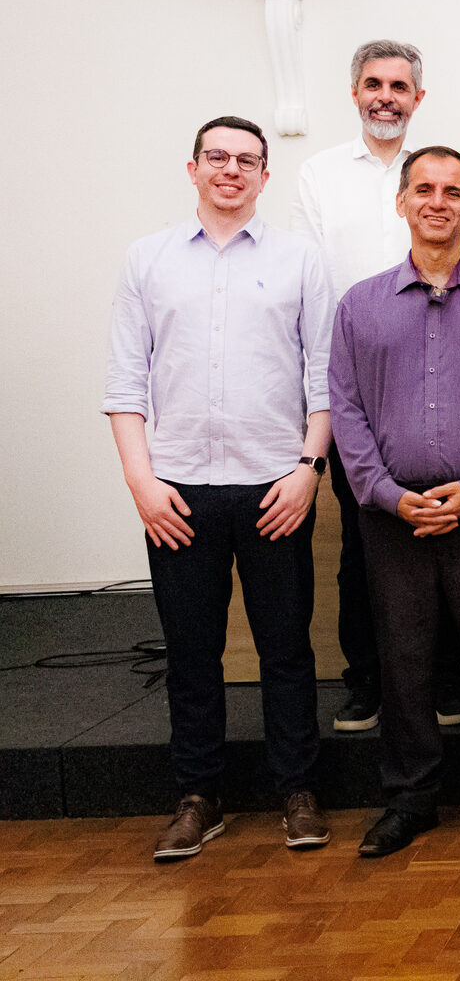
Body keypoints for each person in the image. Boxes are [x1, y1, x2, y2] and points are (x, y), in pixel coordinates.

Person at [104, 116, 333, 860]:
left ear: (266, 177)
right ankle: (199, 795)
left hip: (275, 484)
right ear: (194, 168)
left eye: (247, 160)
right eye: (218, 157)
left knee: (285, 650)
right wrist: (142, 480)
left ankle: (297, 790)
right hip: (176, 491)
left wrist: (308, 469)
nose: (231, 169)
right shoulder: (148, 260)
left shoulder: (301, 259)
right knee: (191, 651)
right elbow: (125, 380)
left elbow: (324, 377)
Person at [328, 145, 460, 858]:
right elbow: (345, 410)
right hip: (394, 520)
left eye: (453, 191)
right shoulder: (359, 304)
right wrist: (386, 495)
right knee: (403, 659)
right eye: (424, 189)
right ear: (402, 202)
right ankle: (410, 797)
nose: (438, 202)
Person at [293, 39, 460, 732]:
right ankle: (367, 681)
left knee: (448, 537)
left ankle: (446, 679)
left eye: (399, 86)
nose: (386, 96)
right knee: (367, 539)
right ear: (354, 93)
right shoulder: (318, 175)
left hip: (444, 379)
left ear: (418, 99)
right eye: (373, 83)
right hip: (362, 380)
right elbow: (310, 287)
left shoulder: (439, 174)